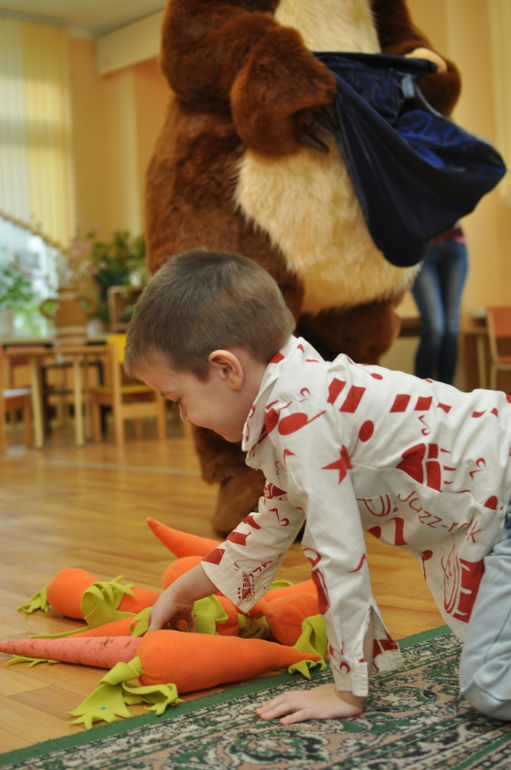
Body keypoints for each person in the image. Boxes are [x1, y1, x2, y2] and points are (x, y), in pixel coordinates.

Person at [124, 249, 511, 725]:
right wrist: (186, 590)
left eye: (177, 399)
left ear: (226, 369)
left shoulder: (303, 420)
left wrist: (348, 690)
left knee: (491, 685)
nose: (183, 416)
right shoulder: (296, 392)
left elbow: (339, 554)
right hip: (496, 509)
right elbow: (268, 527)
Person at [412, 224, 469, 384]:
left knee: (451, 330)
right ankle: (420, 393)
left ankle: (447, 396)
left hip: (455, 246)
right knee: (435, 330)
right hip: (422, 248)